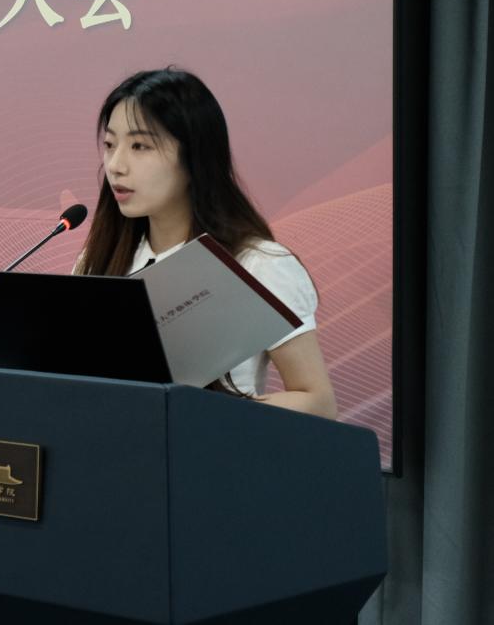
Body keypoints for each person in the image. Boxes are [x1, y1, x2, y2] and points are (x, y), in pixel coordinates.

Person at [74, 68, 338, 418]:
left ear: (194, 157)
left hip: (210, 447)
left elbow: (318, 403)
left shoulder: (258, 264)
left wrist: (206, 413)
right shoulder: (97, 261)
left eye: (140, 146)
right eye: (110, 145)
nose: (116, 165)